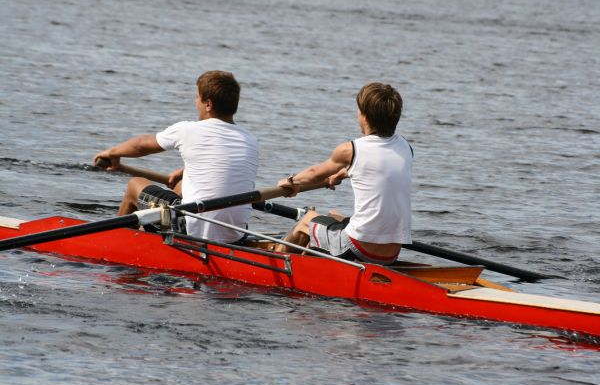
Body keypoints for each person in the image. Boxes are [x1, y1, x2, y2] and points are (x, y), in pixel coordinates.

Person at [94, 70, 258, 243]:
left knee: (134, 185)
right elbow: (223, 165)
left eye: (197, 97)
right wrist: (186, 171)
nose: (195, 101)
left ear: (208, 104)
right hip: (236, 234)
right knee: (179, 186)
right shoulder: (250, 140)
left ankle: (113, 243)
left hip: (192, 229)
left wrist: (112, 153)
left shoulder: (187, 130)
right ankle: (147, 234)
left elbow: (141, 145)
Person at [276, 82, 412, 265]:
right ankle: (308, 261)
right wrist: (342, 173)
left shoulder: (351, 150)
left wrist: (291, 181)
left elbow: (315, 173)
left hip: (358, 248)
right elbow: (379, 169)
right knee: (333, 216)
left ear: (365, 117)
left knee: (307, 219)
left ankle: (274, 262)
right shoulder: (405, 147)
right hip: (391, 253)